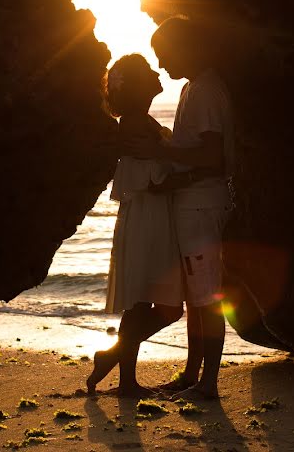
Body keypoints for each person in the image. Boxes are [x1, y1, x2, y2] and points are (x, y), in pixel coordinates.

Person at [127, 16, 235, 400]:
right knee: (196, 299)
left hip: (202, 206)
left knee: (208, 298)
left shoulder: (205, 89)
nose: (161, 63)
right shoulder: (194, 86)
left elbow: (212, 156)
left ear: (185, 46)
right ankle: (192, 375)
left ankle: (208, 385)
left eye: (164, 53)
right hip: (192, 204)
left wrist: (160, 152)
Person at [85, 54, 185, 398]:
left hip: (151, 216)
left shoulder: (140, 121)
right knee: (146, 303)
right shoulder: (135, 124)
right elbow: (150, 180)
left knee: (167, 307)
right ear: (139, 88)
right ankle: (126, 381)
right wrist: (192, 175)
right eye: (148, 73)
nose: (157, 73)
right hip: (148, 217)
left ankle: (113, 359)